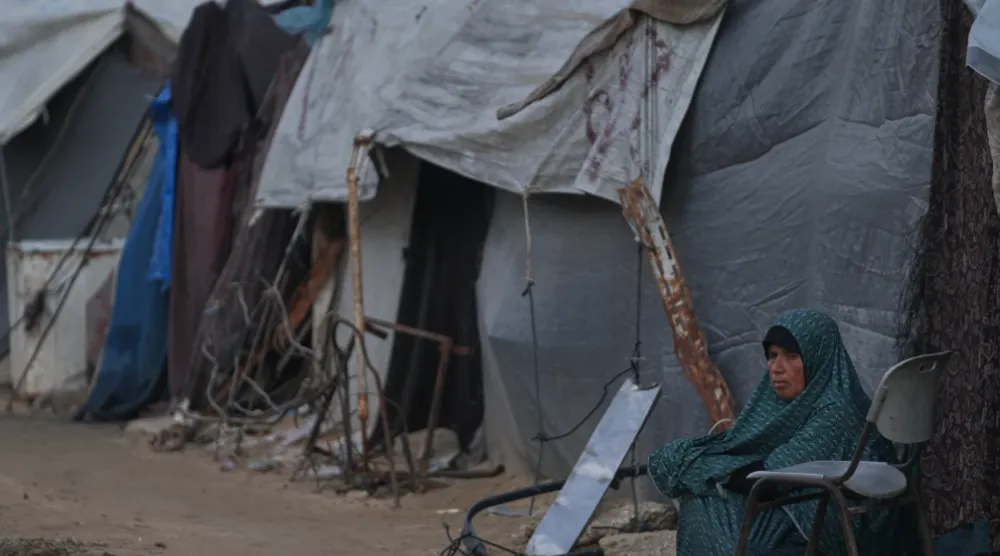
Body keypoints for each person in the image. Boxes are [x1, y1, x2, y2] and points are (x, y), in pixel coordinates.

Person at [648, 309, 906, 556]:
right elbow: (744, 448)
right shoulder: (783, 404)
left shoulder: (837, 409)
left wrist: (705, 470)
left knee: (704, 504)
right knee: (706, 499)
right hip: (807, 497)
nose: (776, 368)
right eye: (772, 356)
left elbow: (771, 479)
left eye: (791, 356)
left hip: (845, 521)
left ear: (819, 356)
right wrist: (708, 467)